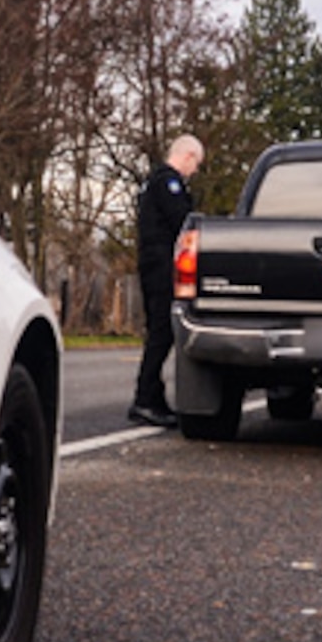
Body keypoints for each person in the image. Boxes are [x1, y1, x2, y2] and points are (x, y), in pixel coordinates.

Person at [129, 134, 204, 428]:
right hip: (161, 266)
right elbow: (182, 221)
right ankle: (145, 399)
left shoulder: (154, 182)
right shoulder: (168, 184)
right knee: (162, 331)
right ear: (187, 156)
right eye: (196, 163)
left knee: (159, 332)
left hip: (152, 264)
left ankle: (152, 397)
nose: (195, 170)